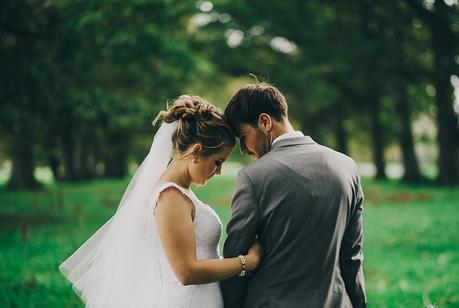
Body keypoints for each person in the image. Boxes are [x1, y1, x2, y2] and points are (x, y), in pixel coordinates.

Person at [59, 95, 262, 308]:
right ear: (196, 151)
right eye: (217, 162)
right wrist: (246, 263)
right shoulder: (170, 197)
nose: (218, 171)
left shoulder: (181, 192)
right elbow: (186, 272)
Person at [221, 83, 367, 308]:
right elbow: (351, 257)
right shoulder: (347, 166)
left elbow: (235, 260)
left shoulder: (253, 177)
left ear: (265, 122)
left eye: (243, 137)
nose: (244, 149)